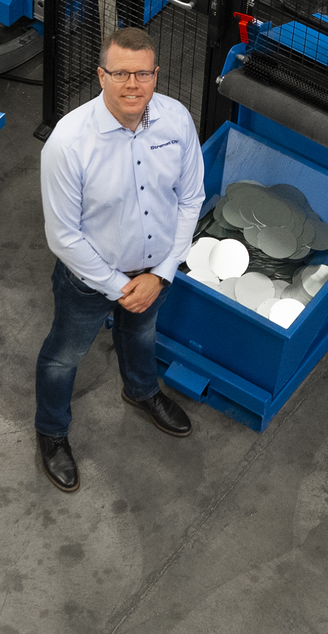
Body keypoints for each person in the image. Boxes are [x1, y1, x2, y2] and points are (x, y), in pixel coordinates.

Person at [34, 27, 204, 492]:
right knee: (63, 357)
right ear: (101, 76)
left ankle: (142, 391)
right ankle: (51, 431)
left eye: (143, 74)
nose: (133, 85)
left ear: (156, 74)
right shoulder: (69, 143)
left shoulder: (176, 121)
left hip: (154, 274)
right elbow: (63, 236)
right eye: (121, 73)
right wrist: (118, 287)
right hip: (88, 281)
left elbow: (191, 199)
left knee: (142, 334)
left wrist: (160, 275)